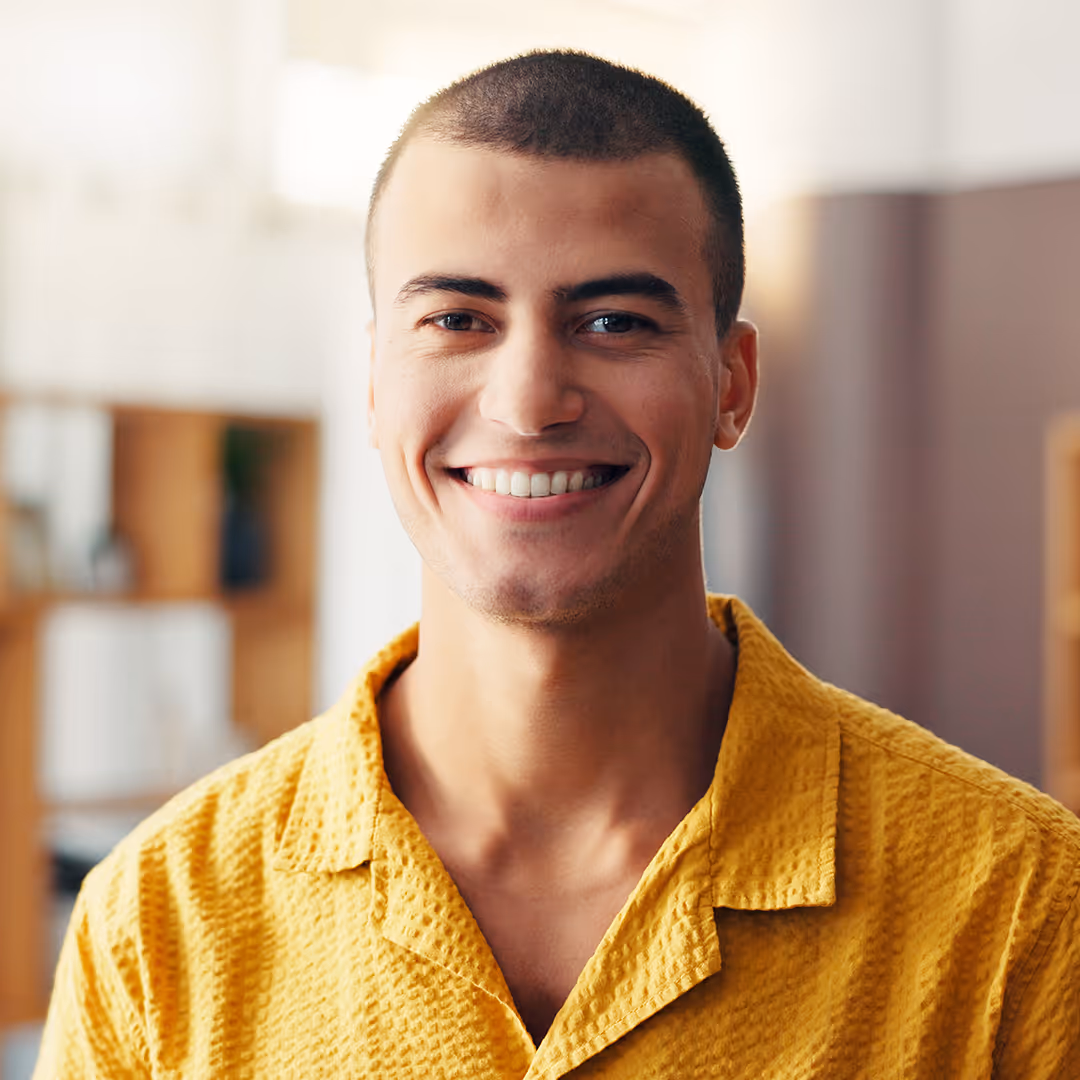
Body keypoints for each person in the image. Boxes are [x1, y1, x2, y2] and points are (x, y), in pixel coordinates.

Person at [35, 51, 1080, 1079]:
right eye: (457, 319)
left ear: (732, 383)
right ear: (371, 380)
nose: (529, 399)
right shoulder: (159, 922)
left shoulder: (1020, 909)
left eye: (614, 321)